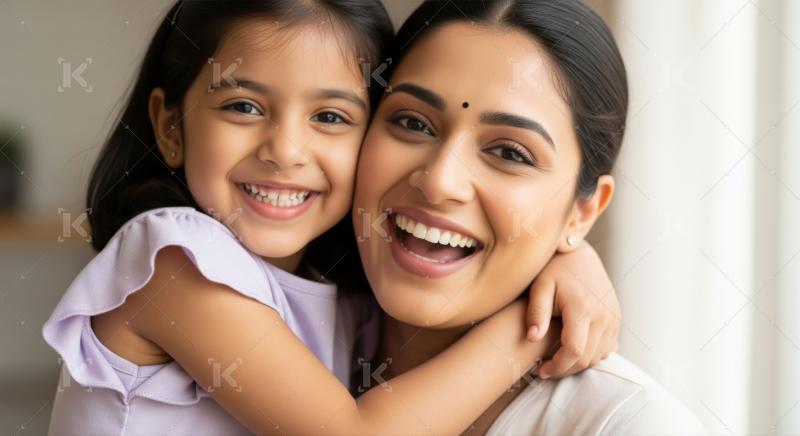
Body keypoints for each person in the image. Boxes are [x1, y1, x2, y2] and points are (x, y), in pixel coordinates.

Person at [42, 1, 620, 434]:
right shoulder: (172, 263)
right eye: (244, 106)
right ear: (171, 128)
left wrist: (569, 255)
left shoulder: (340, 292)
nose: (286, 150)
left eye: (331, 116)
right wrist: (532, 327)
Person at [353, 0, 708, 434]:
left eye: (509, 152)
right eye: (414, 123)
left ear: (584, 211)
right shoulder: (279, 325)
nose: (440, 181)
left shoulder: (628, 425)